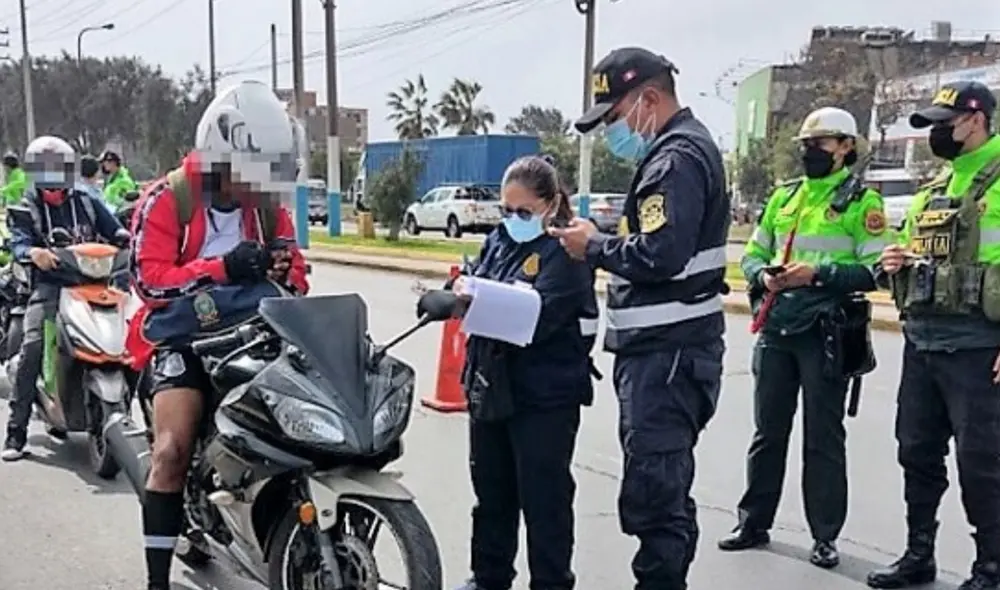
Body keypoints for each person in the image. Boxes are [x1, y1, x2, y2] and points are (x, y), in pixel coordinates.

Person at [548, 47, 729, 590]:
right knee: (660, 490)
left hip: (668, 358)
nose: (615, 131)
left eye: (617, 117)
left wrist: (595, 246)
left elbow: (661, 255)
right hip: (666, 355)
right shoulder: (679, 151)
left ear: (648, 98)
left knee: (657, 496)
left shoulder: (674, 159)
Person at [126, 79, 308, 590]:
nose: (260, 188)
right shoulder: (169, 199)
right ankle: (157, 579)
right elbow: (147, 281)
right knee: (171, 452)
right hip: (180, 340)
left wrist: (282, 269)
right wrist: (222, 268)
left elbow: (296, 273)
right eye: (249, 176)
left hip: (252, 335)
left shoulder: (270, 208)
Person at [717, 106, 887, 568]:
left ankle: (825, 535)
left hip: (825, 332)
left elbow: (875, 270)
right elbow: (753, 252)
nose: (811, 151)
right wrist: (763, 275)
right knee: (767, 432)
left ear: (846, 147)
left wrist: (818, 273)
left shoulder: (861, 203)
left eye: (822, 143)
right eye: (806, 144)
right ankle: (753, 521)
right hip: (777, 327)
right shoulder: (784, 196)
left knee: (822, 437)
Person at [431, 155, 598, 590]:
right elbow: (473, 279)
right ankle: (488, 578)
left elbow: (537, 319)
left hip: (544, 396)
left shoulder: (565, 253)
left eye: (523, 211)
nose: (512, 219)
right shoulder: (499, 242)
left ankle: (551, 582)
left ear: (551, 204)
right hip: (492, 387)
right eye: (506, 210)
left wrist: (475, 303)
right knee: (492, 496)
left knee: (545, 501)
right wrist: (453, 294)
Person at [868, 81, 1000, 590]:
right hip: (923, 340)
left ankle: (991, 563)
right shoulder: (935, 188)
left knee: (981, 462)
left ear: (976, 119)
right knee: (916, 451)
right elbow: (910, 252)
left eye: (944, 124)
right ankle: (918, 554)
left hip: (978, 344)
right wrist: (896, 261)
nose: (936, 134)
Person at [1, 135, 125, 461]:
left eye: (59, 168)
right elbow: (18, 242)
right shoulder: (27, 205)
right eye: (46, 169)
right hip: (50, 288)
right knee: (31, 348)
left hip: (94, 284)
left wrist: (127, 237)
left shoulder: (86, 200)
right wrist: (33, 252)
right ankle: (15, 433)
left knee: (137, 338)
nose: (53, 176)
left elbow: (114, 229)